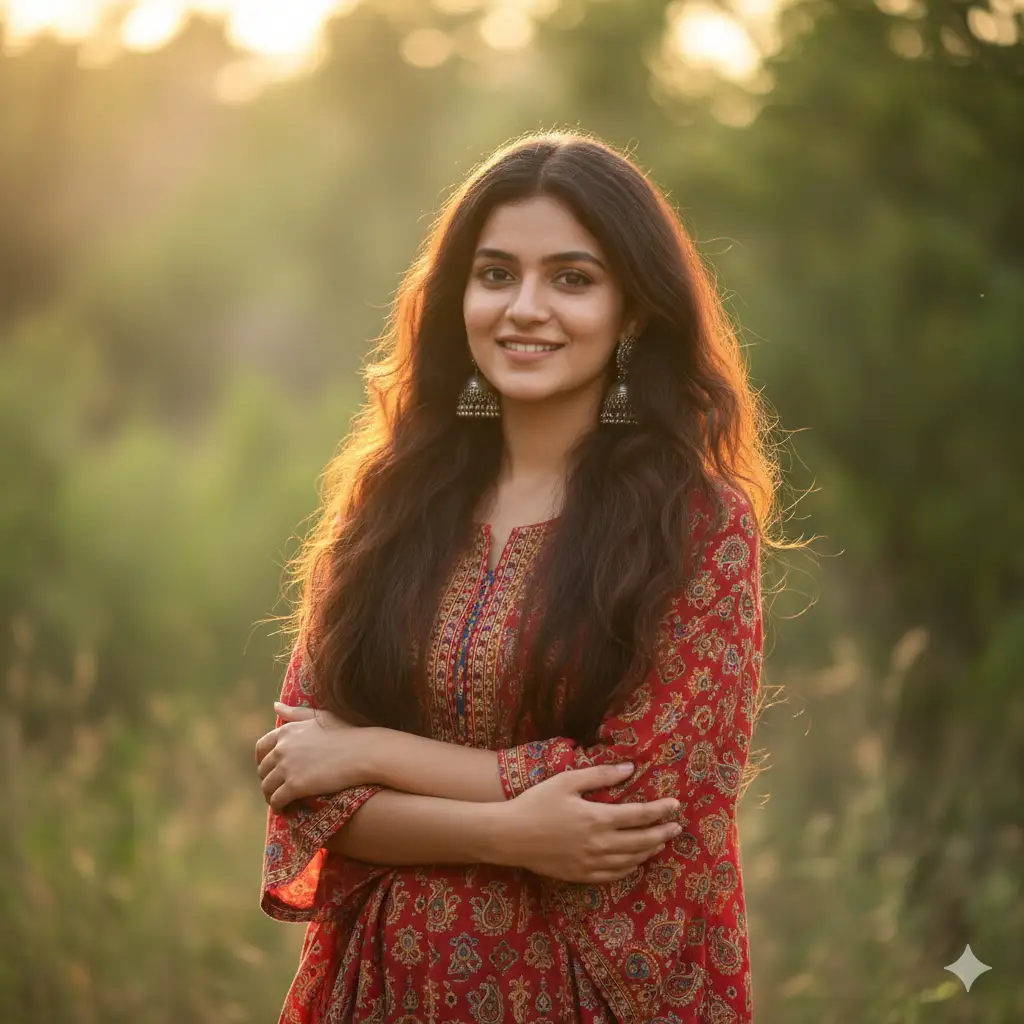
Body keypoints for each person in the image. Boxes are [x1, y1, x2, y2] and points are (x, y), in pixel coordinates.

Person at [254, 131, 775, 1024]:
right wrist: (513, 831)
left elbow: (639, 795)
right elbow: (306, 784)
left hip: (586, 995)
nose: (525, 307)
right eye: (496, 274)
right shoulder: (386, 508)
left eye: (572, 279)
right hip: (383, 989)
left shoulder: (697, 526)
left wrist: (374, 751)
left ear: (634, 312)